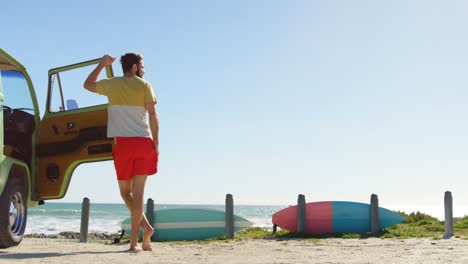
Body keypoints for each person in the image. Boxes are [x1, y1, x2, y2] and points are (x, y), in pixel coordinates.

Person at [83, 53, 159, 252]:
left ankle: (136, 241)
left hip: (124, 145)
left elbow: (88, 84)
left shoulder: (112, 84)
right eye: (141, 65)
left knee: (127, 193)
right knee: (137, 194)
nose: (143, 68)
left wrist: (101, 64)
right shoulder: (145, 85)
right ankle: (144, 234)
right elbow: (153, 115)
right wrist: (156, 143)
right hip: (144, 143)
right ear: (134, 67)